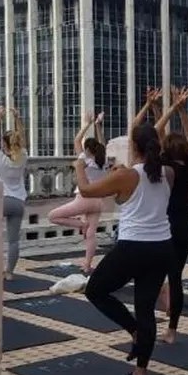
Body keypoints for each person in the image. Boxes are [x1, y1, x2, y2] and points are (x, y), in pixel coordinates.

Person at [76, 123, 174, 375]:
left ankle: (134, 331)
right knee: (145, 308)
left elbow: (86, 191)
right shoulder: (169, 173)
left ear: (133, 147)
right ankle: (140, 371)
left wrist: (78, 166)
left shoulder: (127, 175)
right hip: (162, 246)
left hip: (133, 246)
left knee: (95, 290)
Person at [154, 85, 188, 344]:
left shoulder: (164, 166)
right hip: (185, 224)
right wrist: (181, 110)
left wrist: (166, 109)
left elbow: (157, 130)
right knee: (176, 277)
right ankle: (172, 330)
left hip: (165, 224)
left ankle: (155, 313)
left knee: (157, 275)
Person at [47, 112, 107, 274]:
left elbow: (76, 140)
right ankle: (87, 264)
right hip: (99, 201)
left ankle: (81, 225)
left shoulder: (84, 160)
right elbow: (102, 143)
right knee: (91, 234)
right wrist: (98, 125)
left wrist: (87, 124)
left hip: (84, 198)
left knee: (53, 216)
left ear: (87, 149)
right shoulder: (102, 160)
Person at [0, 107, 28, 281]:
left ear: (4, 144)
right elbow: (22, 138)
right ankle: (9, 272)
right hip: (18, 202)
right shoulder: (23, 156)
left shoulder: (0, 158)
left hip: (1, 200)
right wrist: (17, 117)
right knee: (13, 240)